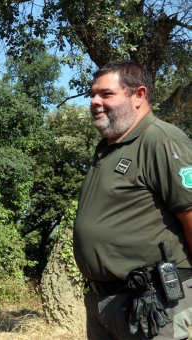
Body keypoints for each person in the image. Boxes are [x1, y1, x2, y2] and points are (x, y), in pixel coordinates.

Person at [73, 60, 192, 339]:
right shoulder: (107, 149)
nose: (94, 101)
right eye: (92, 94)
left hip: (154, 303)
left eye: (106, 94)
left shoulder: (161, 140)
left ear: (138, 95)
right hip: (104, 303)